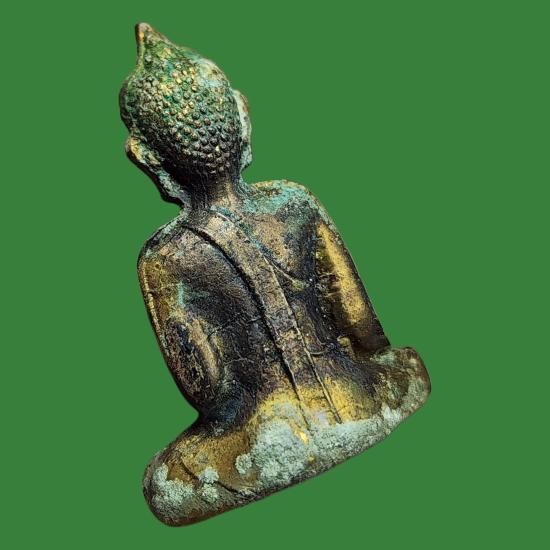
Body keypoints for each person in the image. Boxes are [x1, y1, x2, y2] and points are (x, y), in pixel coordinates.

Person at [120, 23, 430, 526]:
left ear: (146, 157)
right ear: (242, 116)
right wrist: (373, 362)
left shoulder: (165, 258)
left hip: (262, 432)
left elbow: (209, 388)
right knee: (407, 367)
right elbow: (362, 324)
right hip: (355, 395)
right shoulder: (294, 202)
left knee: (167, 484)